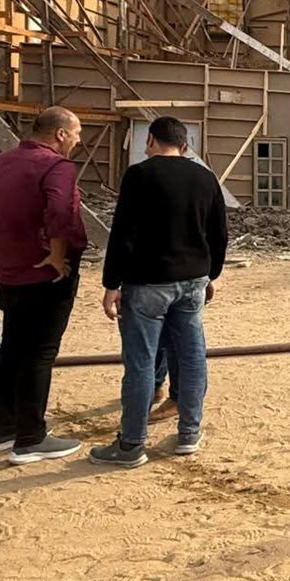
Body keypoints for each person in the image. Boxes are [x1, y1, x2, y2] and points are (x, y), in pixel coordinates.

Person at [89, 117, 228, 467]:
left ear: (150, 139)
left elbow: (122, 233)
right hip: (193, 281)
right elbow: (218, 233)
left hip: (147, 282)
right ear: (185, 144)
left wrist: (111, 283)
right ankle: (189, 433)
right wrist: (211, 274)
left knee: (141, 362)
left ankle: (131, 444)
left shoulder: (139, 175)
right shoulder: (205, 177)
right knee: (192, 357)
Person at [0, 107, 86, 465]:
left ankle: (2, 427)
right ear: (60, 133)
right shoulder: (56, 167)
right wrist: (57, 253)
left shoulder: (2, 163)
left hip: (8, 271)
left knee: (12, 347)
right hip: (47, 274)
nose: (78, 140)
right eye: (76, 133)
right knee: (40, 352)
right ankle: (31, 438)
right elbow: (61, 211)